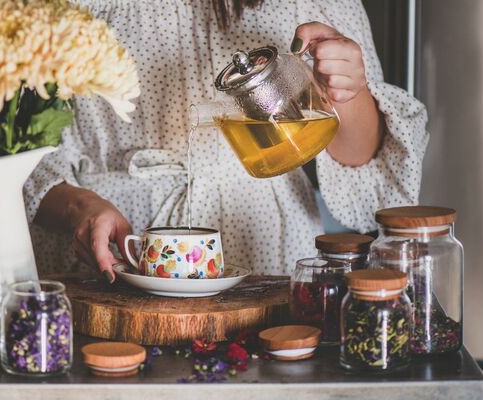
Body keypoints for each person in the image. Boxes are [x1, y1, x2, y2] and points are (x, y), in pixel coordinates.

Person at [24, 0, 428, 281]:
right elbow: (20, 151)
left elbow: (365, 167)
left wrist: (349, 92)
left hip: (263, 247)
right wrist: (82, 207)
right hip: (115, 250)